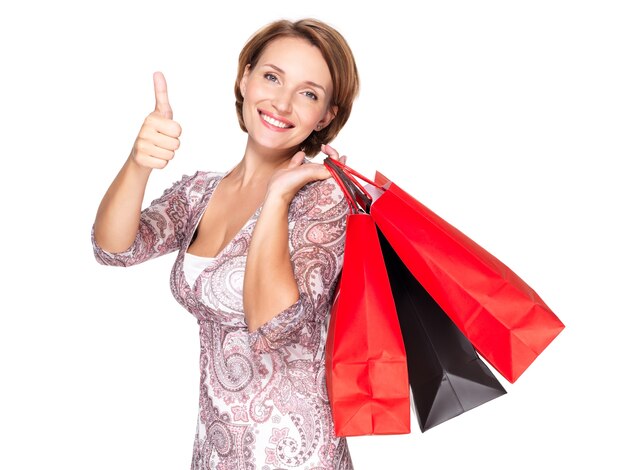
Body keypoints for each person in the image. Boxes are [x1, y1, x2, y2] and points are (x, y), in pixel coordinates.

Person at [92, 18, 359, 469]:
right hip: (214, 451)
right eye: (272, 77)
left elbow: (273, 321)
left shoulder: (327, 199)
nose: (282, 102)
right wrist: (138, 163)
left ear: (326, 115)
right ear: (245, 77)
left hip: (297, 455)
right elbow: (114, 249)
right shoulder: (200, 192)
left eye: (309, 93)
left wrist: (277, 198)